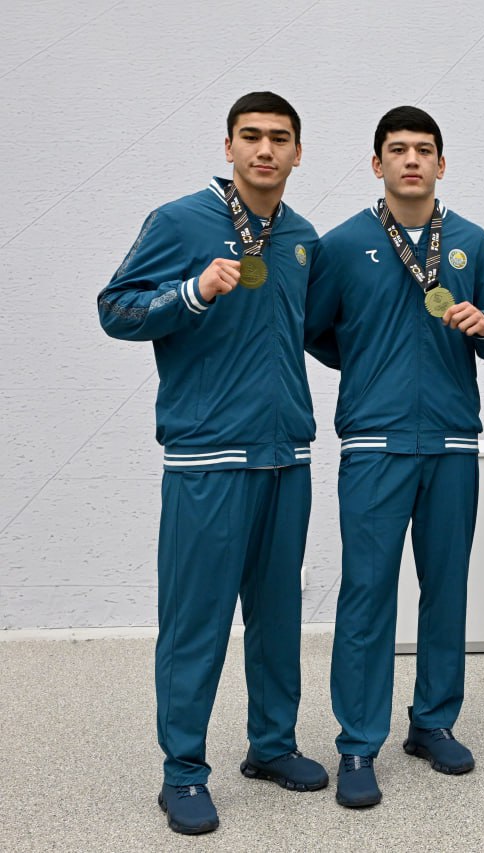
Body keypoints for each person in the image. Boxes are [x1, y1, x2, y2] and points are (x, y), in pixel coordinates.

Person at [98, 92, 328, 835]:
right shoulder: (179, 221)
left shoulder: (301, 237)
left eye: (279, 138)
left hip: (286, 457)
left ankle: (272, 744)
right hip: (207, 457)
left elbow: (318, 332)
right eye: (251, 136)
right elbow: (115, 309)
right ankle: (183, 773)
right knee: (195, 621)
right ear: (228, 147)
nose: (265, 149)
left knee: (278, 616)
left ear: (298, 153)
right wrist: (192, 292)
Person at [304, 106, 484, 808]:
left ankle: (433, 723)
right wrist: (369, 366)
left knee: (446, 587)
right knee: (367, 591)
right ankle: (359, 742)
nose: (412, 160)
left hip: (451, 440)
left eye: (424, 150)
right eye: (398, 149)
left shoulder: (472, 242)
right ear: (377, 163)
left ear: (442, 164)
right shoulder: (341, 244)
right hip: (374, 441)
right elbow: (316, 330)